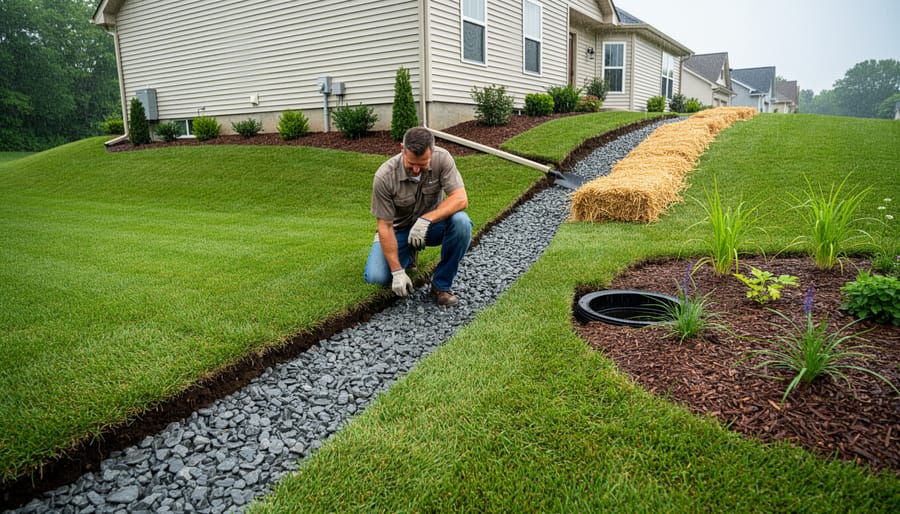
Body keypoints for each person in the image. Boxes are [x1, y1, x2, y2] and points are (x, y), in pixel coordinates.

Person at [364, 127, 472, 306]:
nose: (415, 169)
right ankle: (409, 255)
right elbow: (385, 226)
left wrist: (426, 219)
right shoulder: (384, 177)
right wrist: (397, 272)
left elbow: (460, 199)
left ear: (433, 152)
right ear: (402, 149)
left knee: (462, 223)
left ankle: (441, 285)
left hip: (431, 227)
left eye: (422, 164)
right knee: (376, 277)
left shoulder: (442, 159)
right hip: (398, 230)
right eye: (411, 163)